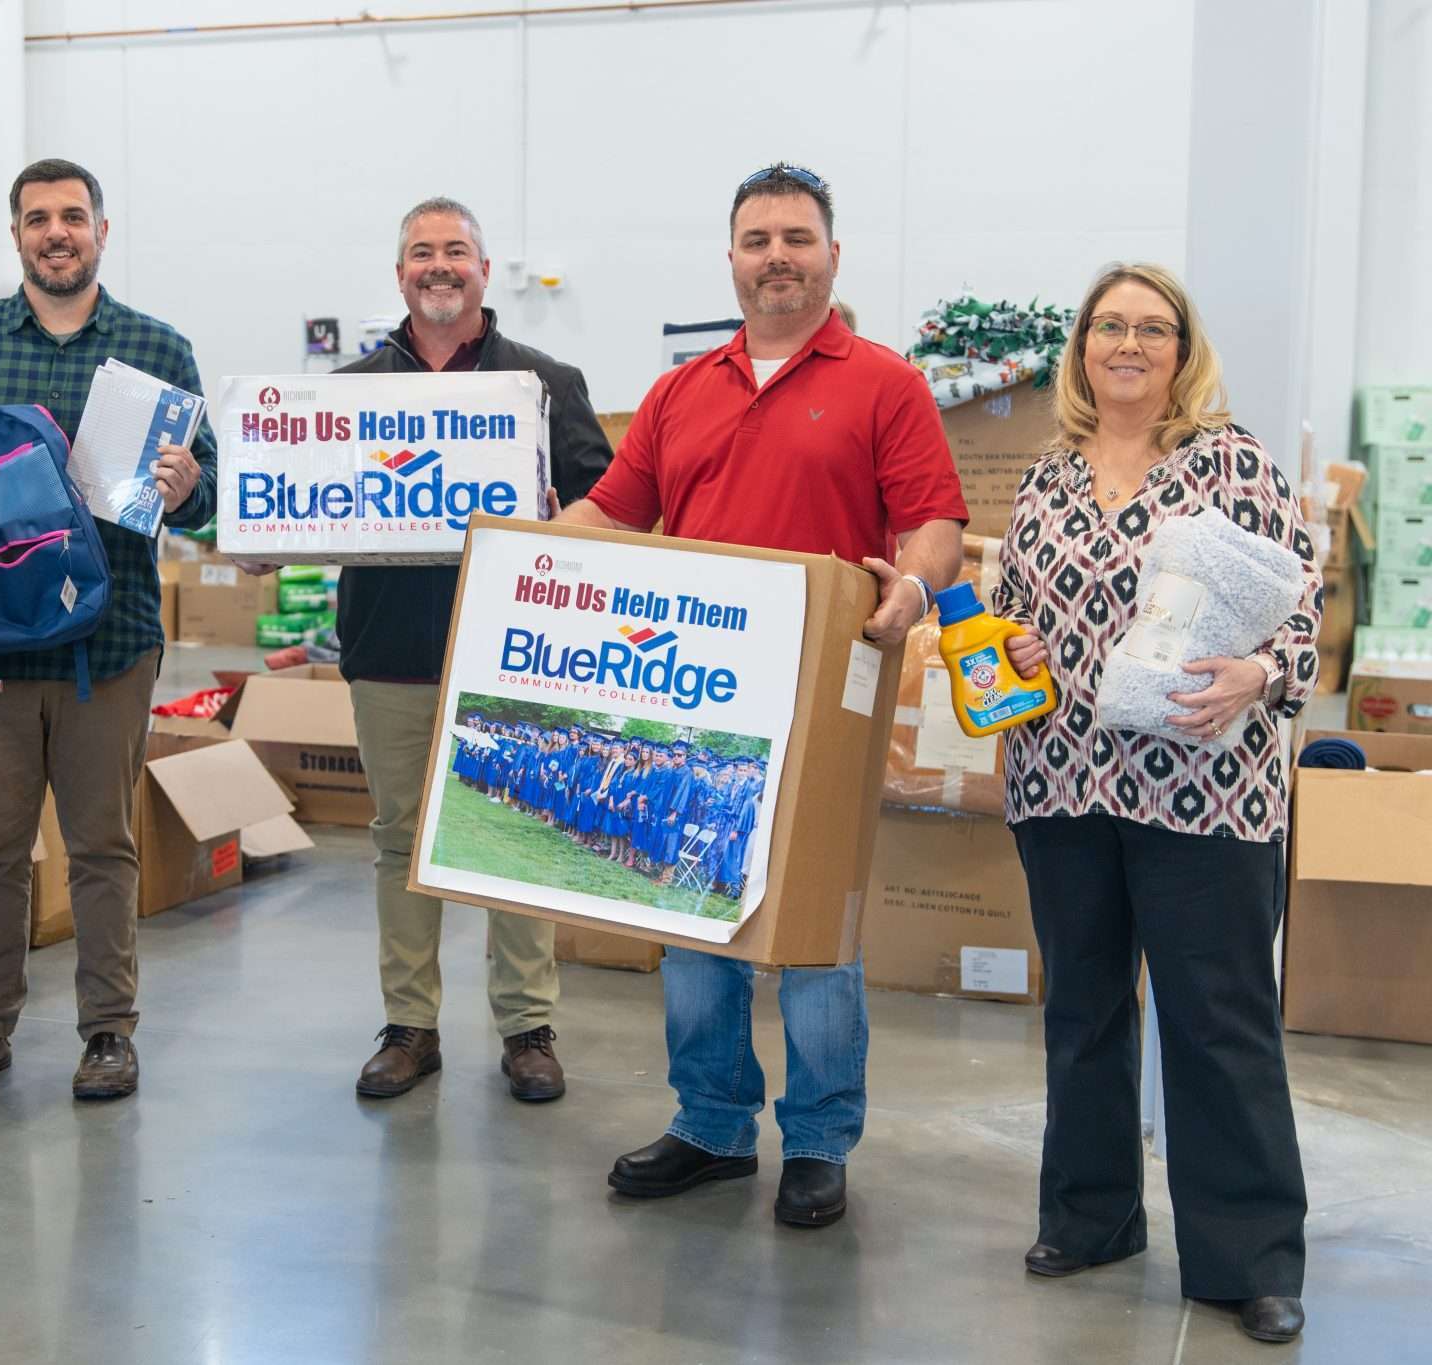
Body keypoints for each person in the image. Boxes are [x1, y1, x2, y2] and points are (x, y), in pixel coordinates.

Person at [556, 164, 966, 1221]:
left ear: (832, 253)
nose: (775, 255)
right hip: (694, 704)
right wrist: (506, 558)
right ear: (730, 258)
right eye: (755, 239)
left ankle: (820, 1140)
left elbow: (933, 524)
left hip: (828, 694)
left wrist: (913, 585)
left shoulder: (884, 383)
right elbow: (611, 514)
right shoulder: (681, 391)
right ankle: (711, 1124)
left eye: (795, 236)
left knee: (815, 940)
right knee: (694, 922)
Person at [992, 263, 1317, 1343]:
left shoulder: (1230, 462)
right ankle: (1088, 1218)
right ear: (1080, 347)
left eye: (1151, 328)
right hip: (1061, 780)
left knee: (1217, 1021)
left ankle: (1249, 1258)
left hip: (1202, 785)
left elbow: (1300, 607)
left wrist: (1258, 676)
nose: (1125, 343)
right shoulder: (1044, 476)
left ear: (1181, 350)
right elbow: (1008, 616)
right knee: (1081, 1006)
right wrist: (1018, 644)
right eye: (1107, 326)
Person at [0, 158, 216, 1104]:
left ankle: (108, 1032)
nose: (57, 233)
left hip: (107, 644)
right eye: (38, 219)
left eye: (74, 216)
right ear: (17, 235)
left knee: (103, 845)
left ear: (102, 231)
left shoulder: (160, 349)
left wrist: (189, 487)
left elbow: (207, 493)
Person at [339, 196, 614, 1103]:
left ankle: (528, 1028)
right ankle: (410, 1026)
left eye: (456, 251)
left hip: (517, 651)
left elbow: (606, 503)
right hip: (388, 647)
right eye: (421, 252)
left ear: (485, 271)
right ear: (400, 275)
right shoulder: (349, 391)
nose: (439, 266)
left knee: (520, 838)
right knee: (397, 840)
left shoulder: (544, 384)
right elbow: (302, 500)